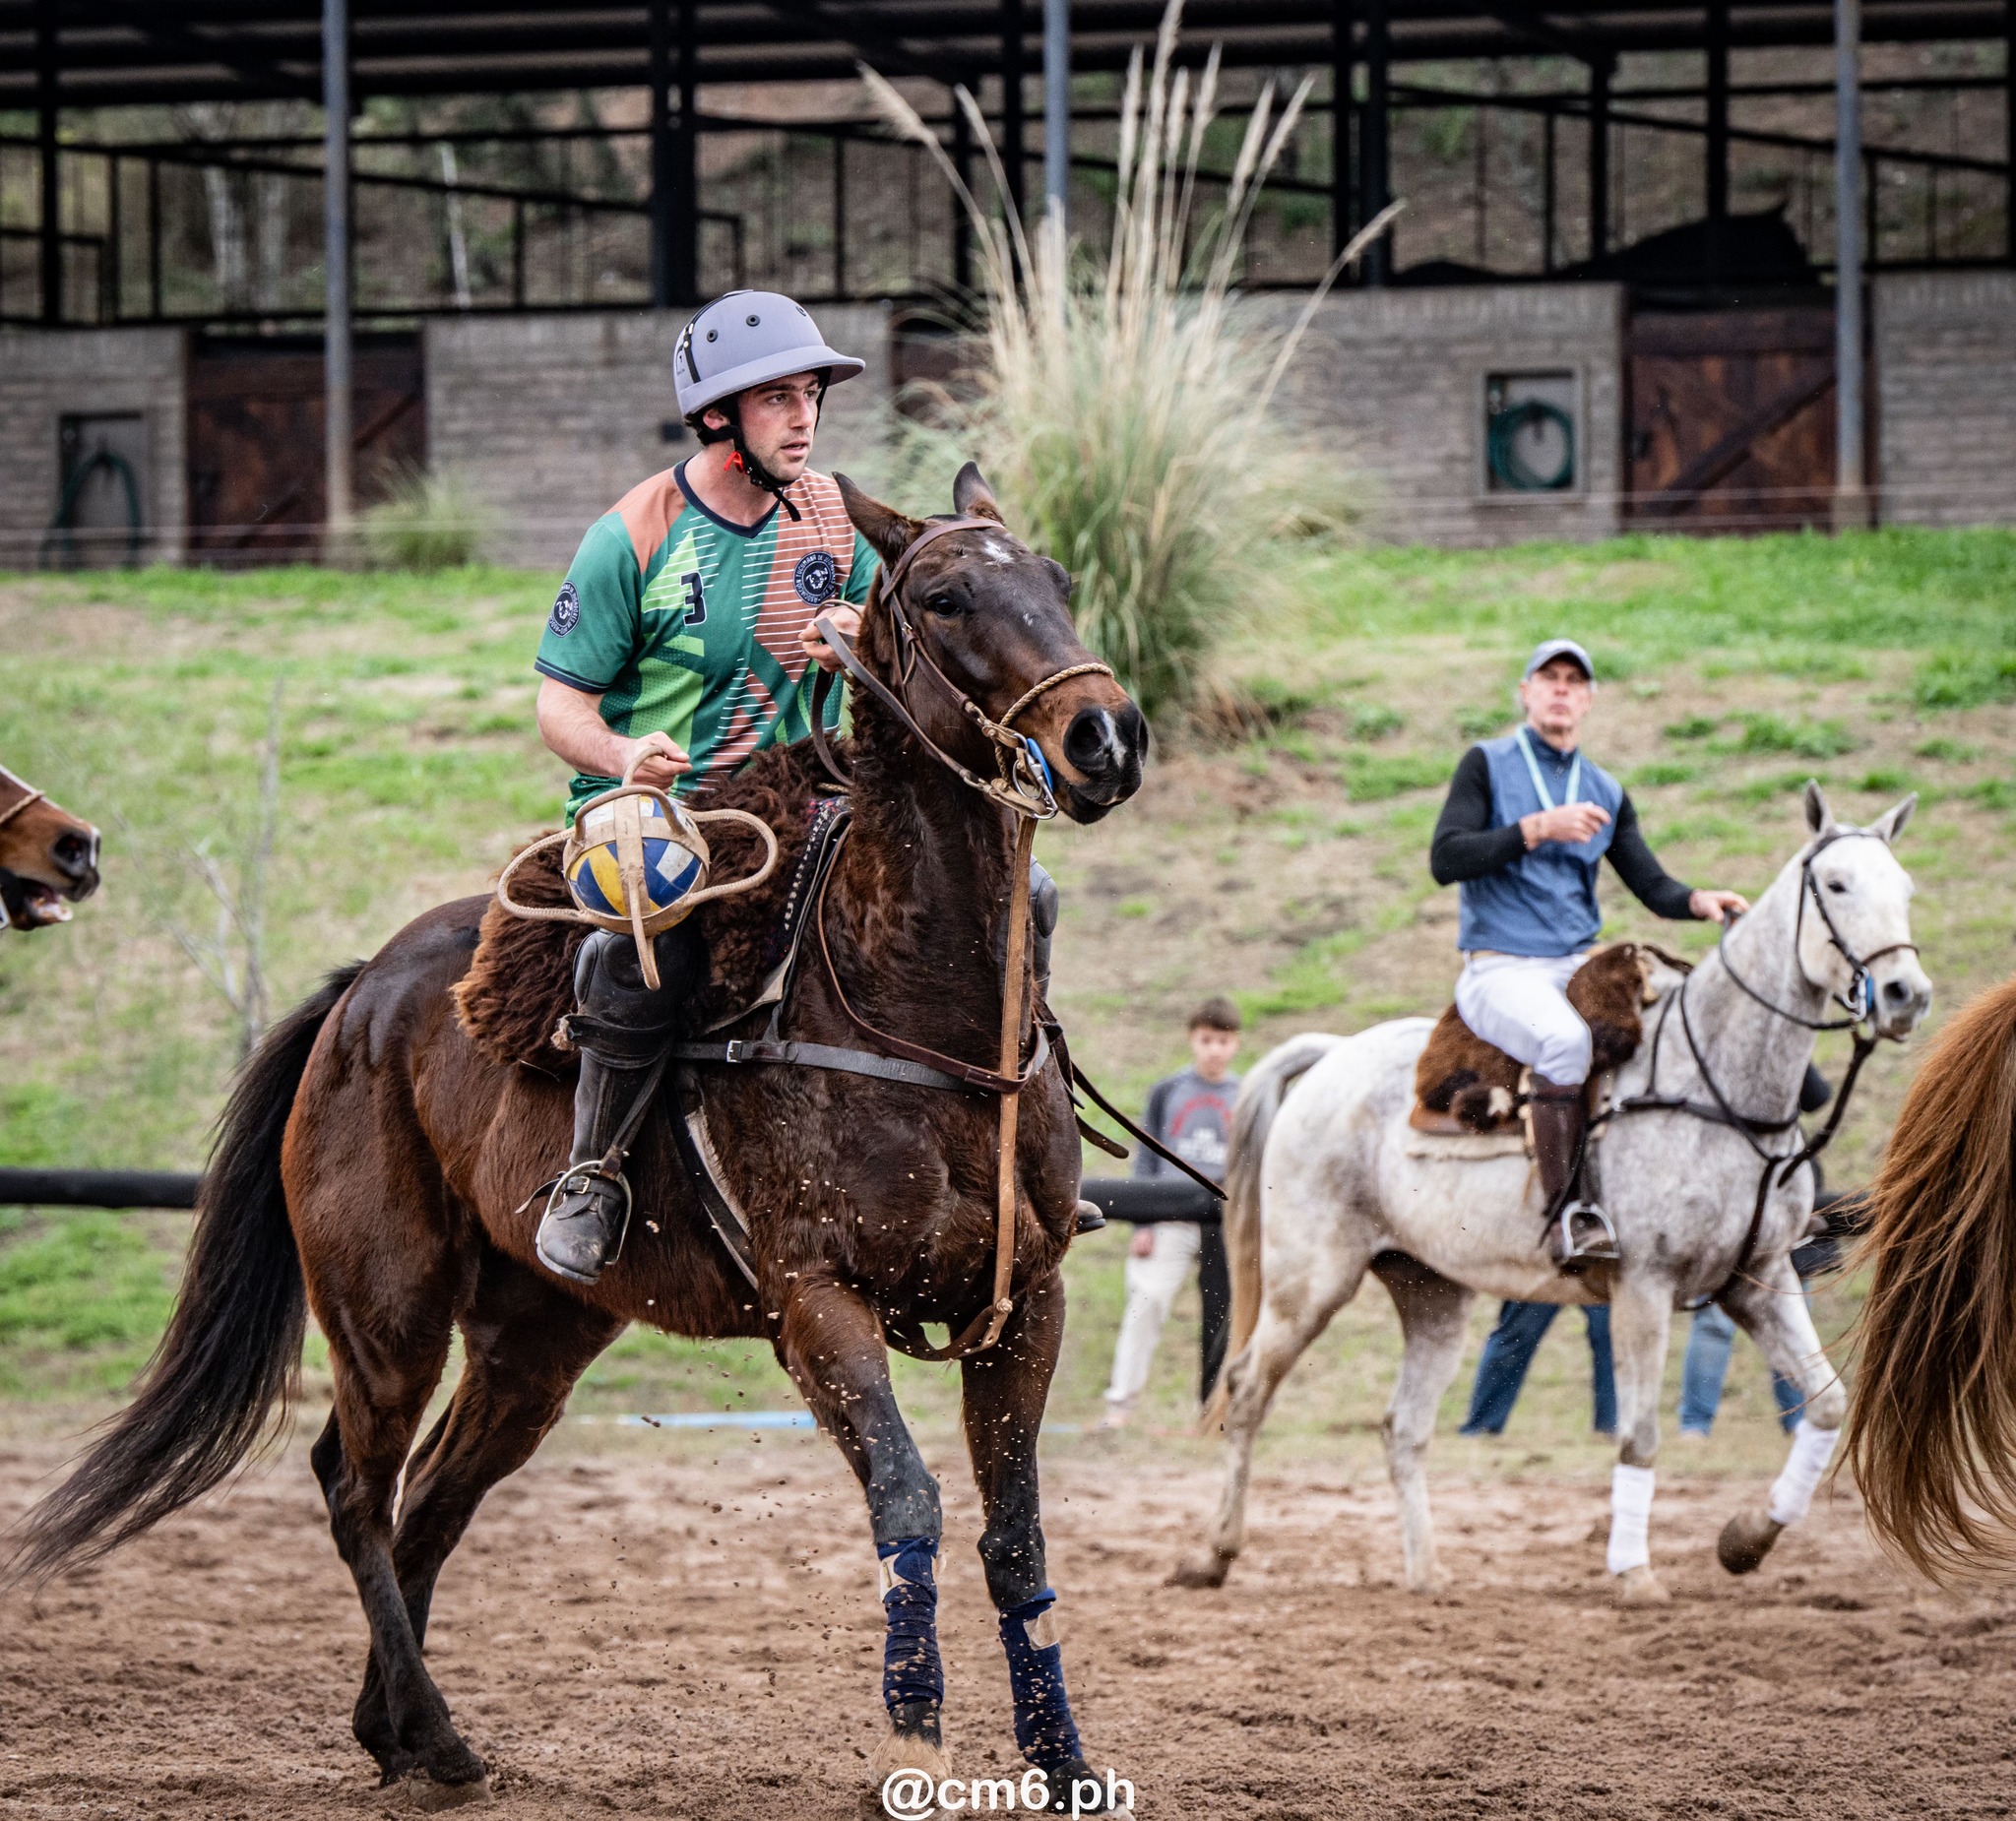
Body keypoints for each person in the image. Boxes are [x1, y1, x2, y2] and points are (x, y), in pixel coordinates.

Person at [528, 288, 879, 1286]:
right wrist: (620, 751)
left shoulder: (833, 517)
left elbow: (892, 646)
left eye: (809, 393)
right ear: (718, 415)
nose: (803, 415)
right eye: (776, 397)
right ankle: (590, 1175)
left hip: (806, 791)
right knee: (645, 925)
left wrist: (867, 644)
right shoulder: (630, 535)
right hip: (663, 808)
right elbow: (559, 708)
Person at [1428, 638, 1750, 1269]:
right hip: (1502, 967)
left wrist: (1699, 900)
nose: (1561, 689)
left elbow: (1649, 883)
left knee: (1687, 1017)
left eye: (1575, 681)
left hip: (1576, 965)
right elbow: (1446, 858)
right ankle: (1569, 1217)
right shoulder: (1486, 763)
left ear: (1589, 701)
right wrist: (1535, 829)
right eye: (1548, 677)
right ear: (1525, 691)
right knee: (1568, 1044)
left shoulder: (1603, 787)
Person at [1101, 999, 1242, 1429]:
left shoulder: (1246, 1093)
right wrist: (1143, 1222)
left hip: (1228, 1222)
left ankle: (1218, 1411)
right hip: (1168, 1217)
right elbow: (1146, 1157)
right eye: (1206, 1040)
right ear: (1192, 1039)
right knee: (1146, 1303)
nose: (1213, 1050)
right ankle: (1119, 1408)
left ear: (1235, 1044)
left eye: (1222, 1041)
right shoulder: (1168, 1090)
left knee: (1227, 1317)